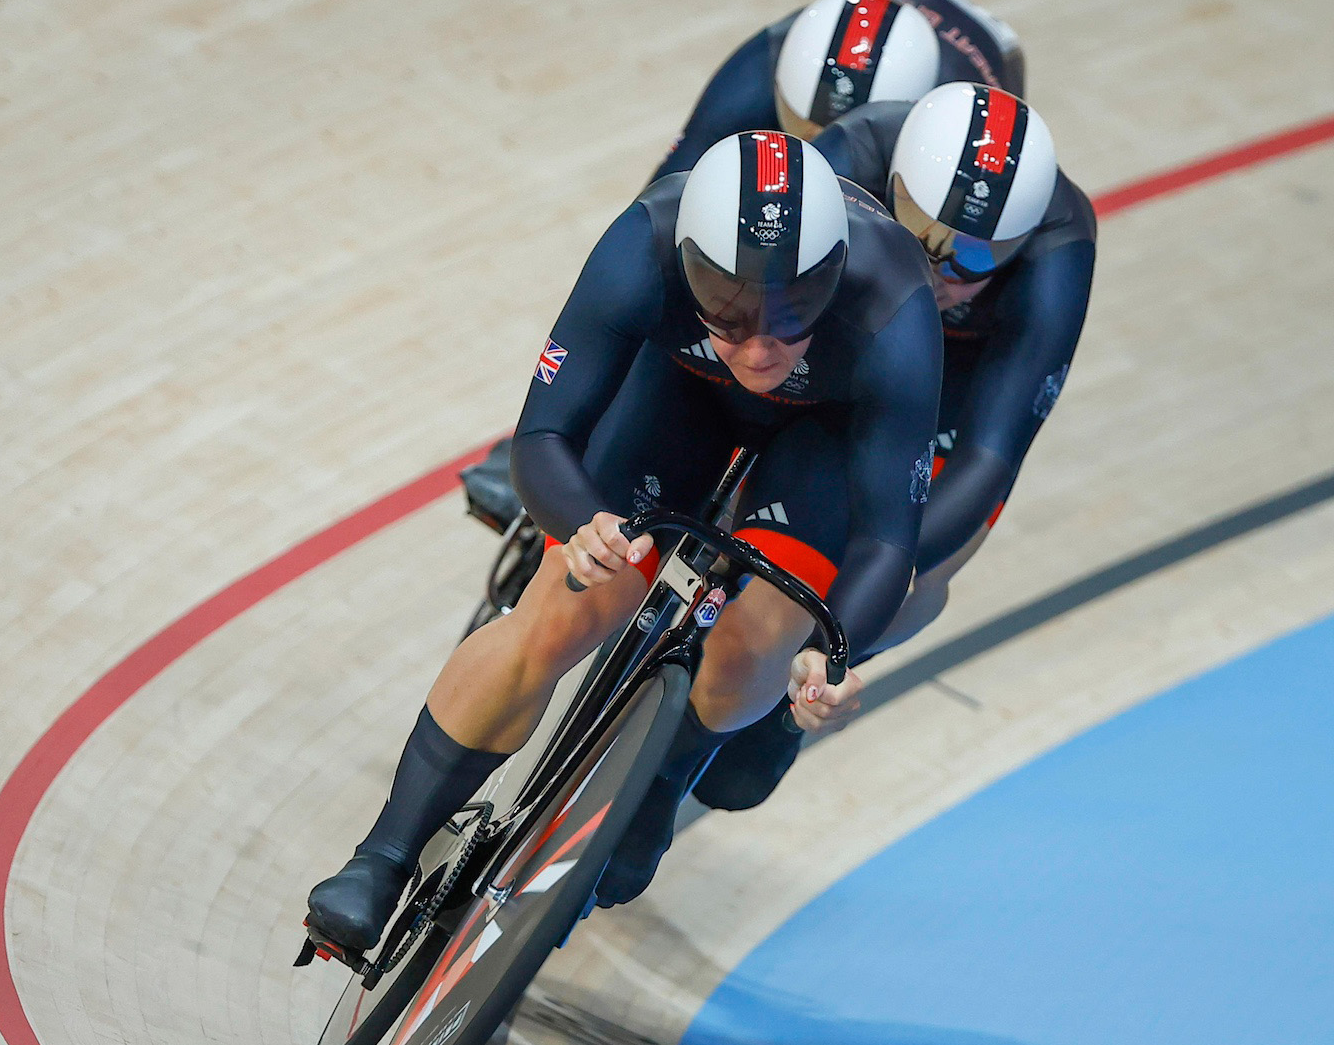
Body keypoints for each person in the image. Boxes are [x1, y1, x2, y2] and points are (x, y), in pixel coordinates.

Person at [305, 130, 942, 949]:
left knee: (757, 643)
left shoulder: (894, 302)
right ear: (687, 266)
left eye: (793, 314)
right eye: (731, 312)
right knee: (565, 609)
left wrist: (835, 648)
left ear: (833, 277)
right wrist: (584, 528)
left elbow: (891, 536)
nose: (759, 345)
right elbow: (542, 437)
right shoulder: (642, 242)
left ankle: (662, 780)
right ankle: (382, 856)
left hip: (822, 437)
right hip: (679, 393)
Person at [690, 83, 1095, 812]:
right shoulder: (855, 152)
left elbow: (989, 456)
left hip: (952, 386)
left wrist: (855, 606)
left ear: (1024, 239)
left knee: (922, 570)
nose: (939, 271)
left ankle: (798, 691)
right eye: (921, 232)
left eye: (973, 256)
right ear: (891, 185)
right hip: (842, 333)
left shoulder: (1060, 246)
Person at [656, 0, 1026, 178]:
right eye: (801, 125)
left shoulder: (946, 121)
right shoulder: (762, 65)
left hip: (991, 53)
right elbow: (662, 198)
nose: (815, 146)